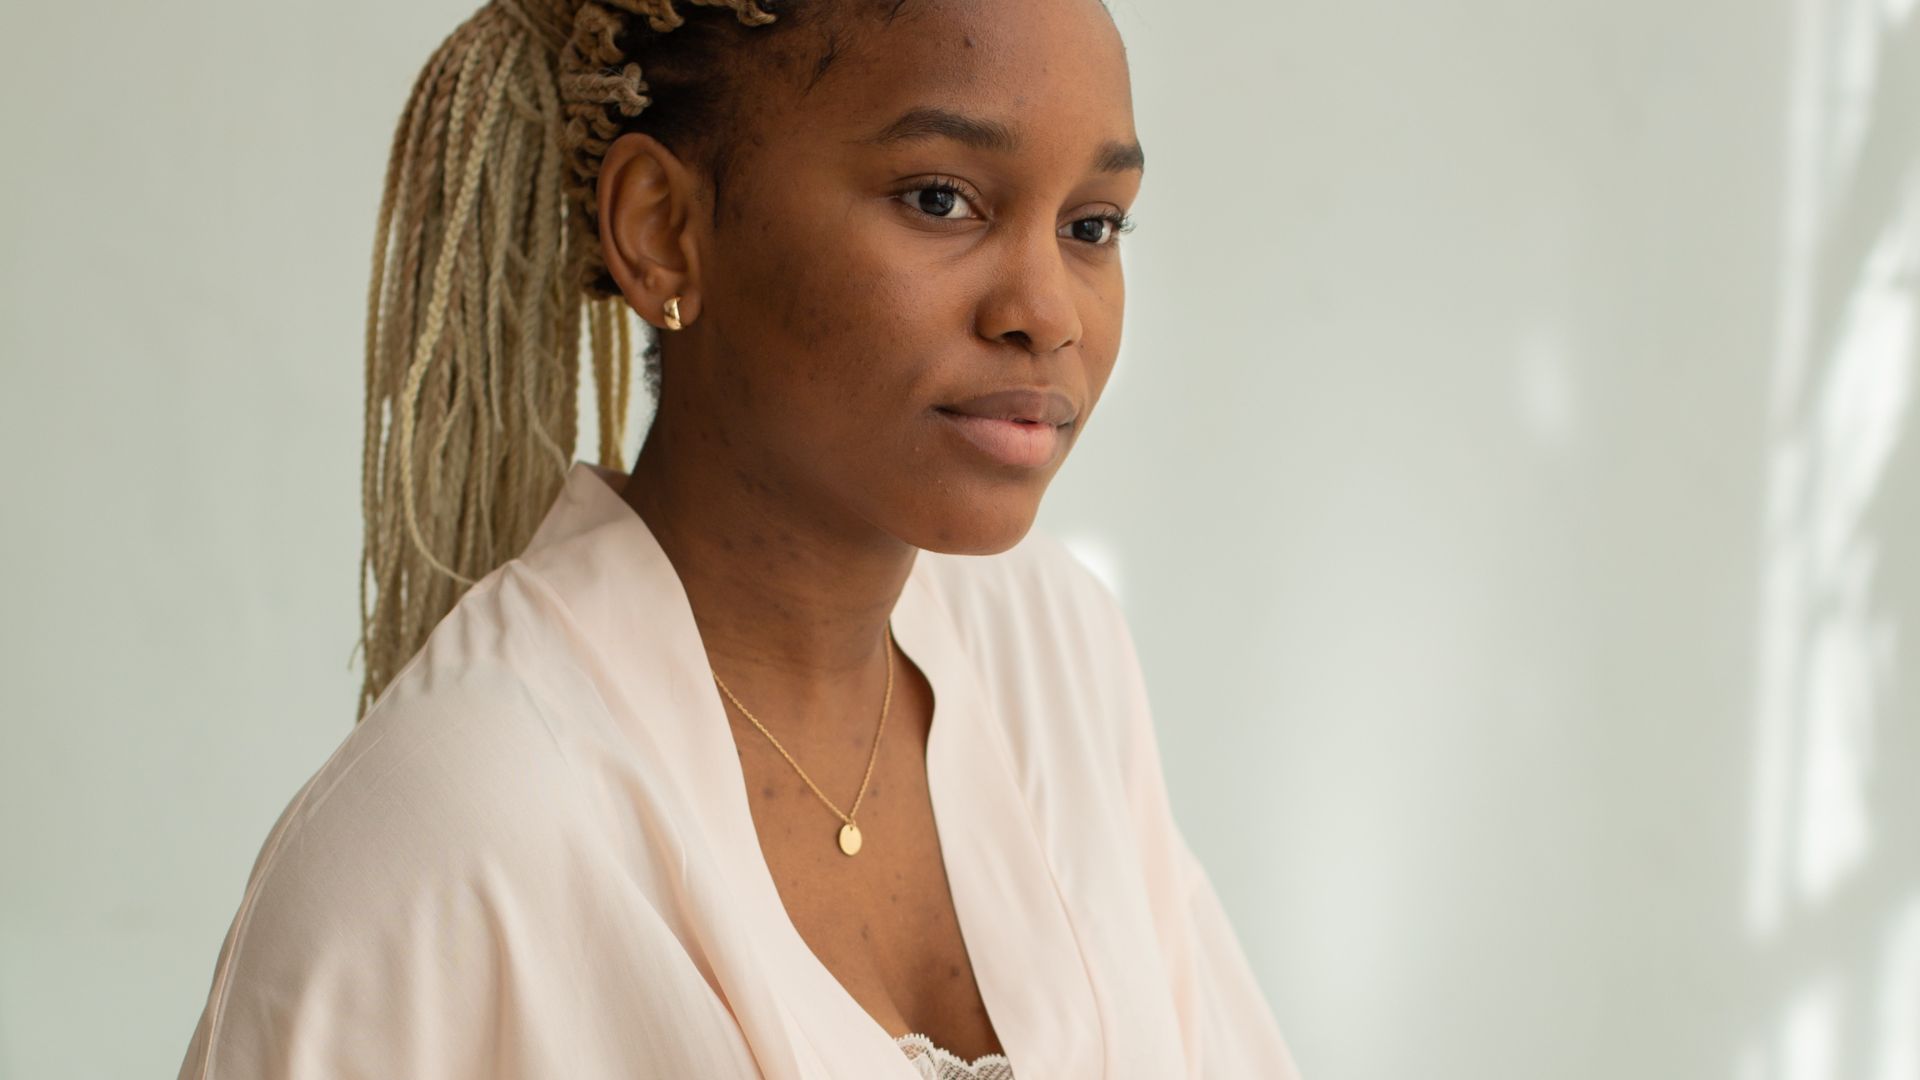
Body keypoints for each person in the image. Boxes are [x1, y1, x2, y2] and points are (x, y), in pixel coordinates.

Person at [176, 0, 1305, 1076]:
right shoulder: (456, 825)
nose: (1049, 313)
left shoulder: (1054, 645)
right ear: (664, 232)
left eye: (1091, 225)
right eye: (939, 199)